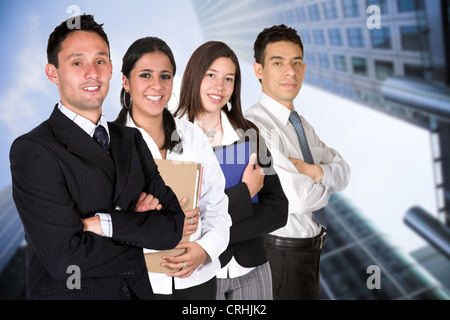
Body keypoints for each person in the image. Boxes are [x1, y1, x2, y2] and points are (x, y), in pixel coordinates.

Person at [9, 15, 185, 300]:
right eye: (77, 63)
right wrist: (138, 233)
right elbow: (66, 259)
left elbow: (171, 229)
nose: (92, 72)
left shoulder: (131, 139)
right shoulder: (34, 149)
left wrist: (102, 225)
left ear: (112, 68)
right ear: (53, 73)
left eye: (100, 61)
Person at [114, 36, 231, 300]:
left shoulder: (193, 135)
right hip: (137, 284)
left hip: (196, 281)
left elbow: (217, 207)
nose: (157, 85)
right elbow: (97, 224)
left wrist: (205, 249)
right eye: (145, 75)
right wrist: (144, 222)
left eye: (165, 76)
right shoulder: (108, 144)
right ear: (125, 82)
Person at [174, 41, 288, 300]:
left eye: (229, 78)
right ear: (194, 77)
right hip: (201, 273)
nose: (220, 87)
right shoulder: (172, 138)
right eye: (211, 75)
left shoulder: (250, 135)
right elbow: (181, 220)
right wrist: (245, 192)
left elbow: (278, 210)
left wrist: (213, 234)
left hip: (253, 269)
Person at [244, 24, 351, 300]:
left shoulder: (301, 125)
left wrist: (312, 171)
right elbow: (297, 199)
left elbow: (344, 172)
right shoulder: (254, 126)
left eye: (296, 63)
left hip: (309, 254)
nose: (290, 71)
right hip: (279, 257)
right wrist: (324, 179)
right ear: (259, 70)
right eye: (277, 63)